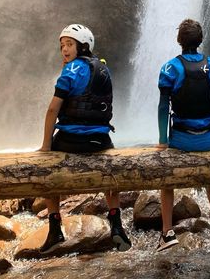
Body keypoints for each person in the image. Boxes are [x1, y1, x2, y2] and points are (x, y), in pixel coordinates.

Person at [38, 23, 132, 254]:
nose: (65, 50)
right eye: (62, 46)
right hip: (100, 140)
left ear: (83, 46)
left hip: (70, 141)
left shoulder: (70, 71)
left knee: (47, 173)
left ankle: (55, 228)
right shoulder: (103, 69)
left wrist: (46, 146)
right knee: (111, 176)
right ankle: (117, 226)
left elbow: (53, 110)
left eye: (69, 44)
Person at [156, 18, 210, 251]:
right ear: (200, 40)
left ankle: (167, 232)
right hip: (208, 138)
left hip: (180, 139)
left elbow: (162, 107)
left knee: (167, 181)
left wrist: (163, 141)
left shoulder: (170, 68)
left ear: (179, 41)